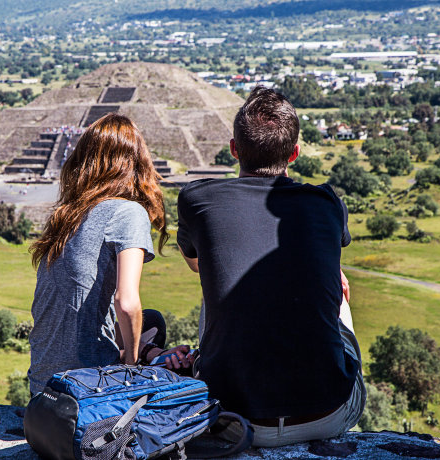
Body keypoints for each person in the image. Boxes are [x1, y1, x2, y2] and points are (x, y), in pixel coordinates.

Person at [177, 87, 366, 447]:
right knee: (337, 283)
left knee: (219, 280)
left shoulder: (198, 200)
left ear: (235, 149)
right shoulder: (327, 204)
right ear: (294, 153)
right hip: (326, 414)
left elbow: (196, 264)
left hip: (232, 417)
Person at [25, 113, 190, 397]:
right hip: (86, 393)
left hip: (43, 390)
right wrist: (132, 366)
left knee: (150, 322)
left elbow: (84, 316)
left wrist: (149, 353)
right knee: (189, 374)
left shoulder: (64, 217)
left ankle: (151, 353)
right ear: (137, 163)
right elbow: (126, 303)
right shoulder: (128, 212)